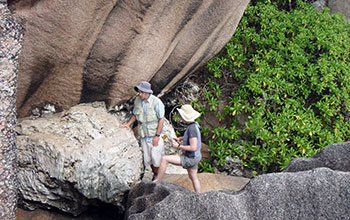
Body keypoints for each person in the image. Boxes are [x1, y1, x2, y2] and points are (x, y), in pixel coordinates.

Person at [120, 81, 165, 180]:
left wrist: (157, 136)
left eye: (141, 92)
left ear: (147, 92)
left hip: (154, 135)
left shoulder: (156, 102)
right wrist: (127, 124)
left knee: (156, 158)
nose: (139, 94)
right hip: (144, 135)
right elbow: (135, 115)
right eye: (139, 92)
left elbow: (161, 119)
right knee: (148, 159)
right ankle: (155, 175)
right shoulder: (137, 100)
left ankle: (158, 176)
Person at [153, 104, 202, 193]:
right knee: (193, 177)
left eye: (181, 115)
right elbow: (192, 137)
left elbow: (193, 147)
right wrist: (180, 138)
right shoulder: (194, 125)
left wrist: (178, 146)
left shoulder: (191, 129)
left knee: (164, 159)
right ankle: (198, 195)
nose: (179, 117)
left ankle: (157, 181)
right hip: (196, 157)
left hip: (189, 158)